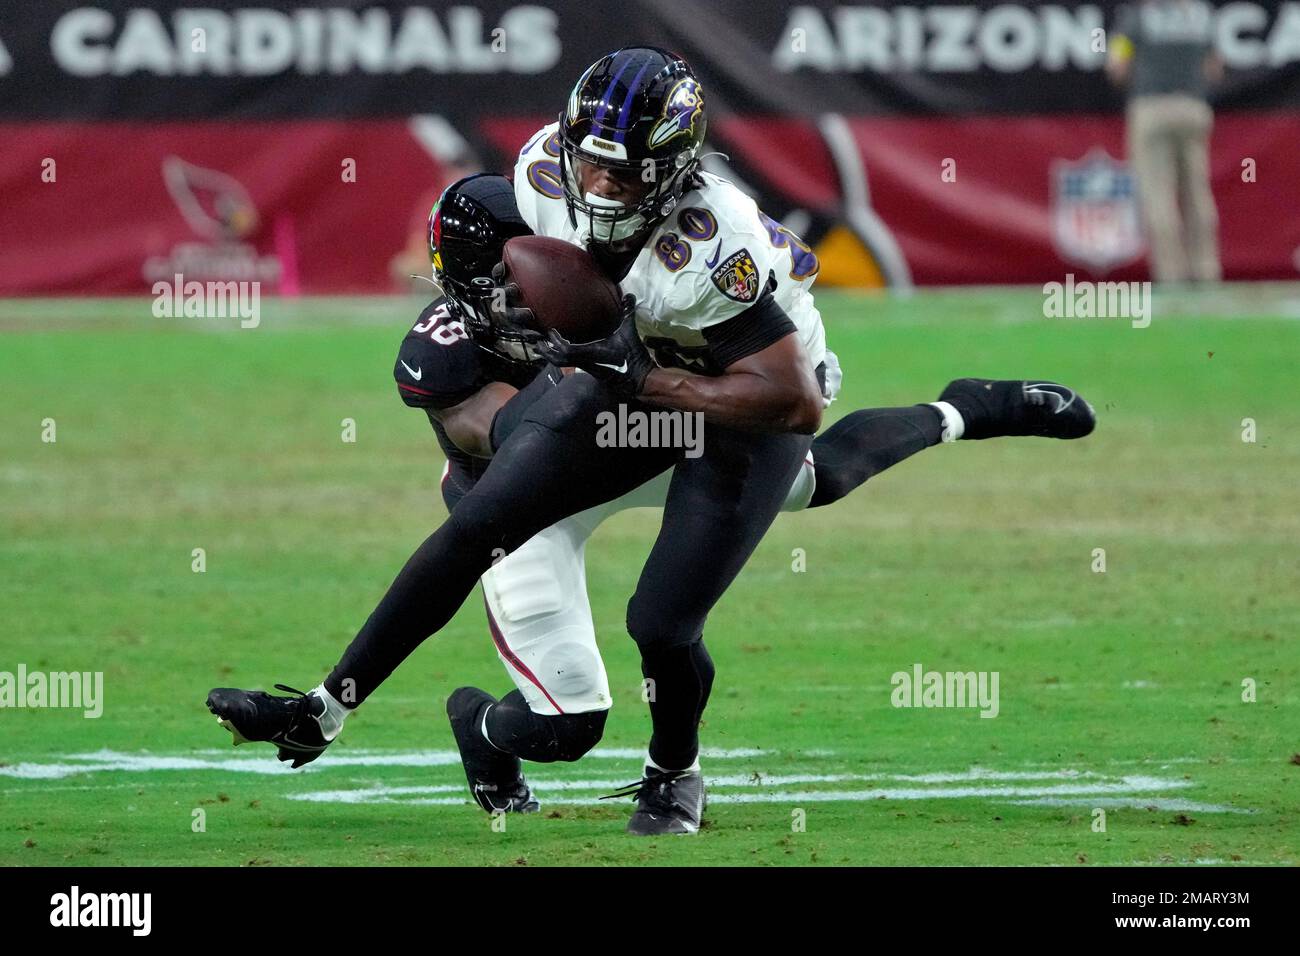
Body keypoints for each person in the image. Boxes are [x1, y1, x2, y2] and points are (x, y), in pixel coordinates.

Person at [208, 49, 1095, 836]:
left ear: (673, 171)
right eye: (587, 167)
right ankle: (407, 719)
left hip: (739, 388)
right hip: (624, 376)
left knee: (693, 593)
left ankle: (676, 773)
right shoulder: (539, 179)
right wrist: (330, 704)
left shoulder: (715, 246)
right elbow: (467, 523)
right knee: (487, 527)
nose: (596, 190)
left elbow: (788, 403)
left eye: (624, 177)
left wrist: (638, 379)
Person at [1108, 0, 1223, 283]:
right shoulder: (1199, 14)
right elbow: (1214, 67)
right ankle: (1206, 270)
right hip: (1193, 106)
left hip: (1152, 107)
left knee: (1157, 195)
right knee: (1197, 193)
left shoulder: (1137, 16)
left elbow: (1117, 65)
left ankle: (1171, 274)